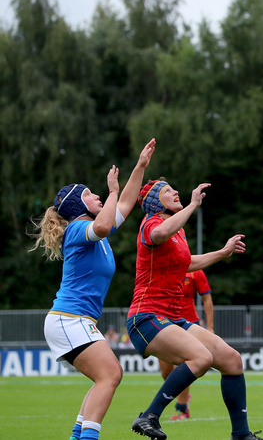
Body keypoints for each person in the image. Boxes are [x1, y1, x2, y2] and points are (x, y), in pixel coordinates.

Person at [31, 139, 154, 440]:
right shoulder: (77, 228)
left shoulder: (97, 230)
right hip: (68, 319)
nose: (97, 195)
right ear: (77, 206)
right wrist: (111, 191)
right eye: (89, 194)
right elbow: (102, 224)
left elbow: (123, 205)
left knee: (105, 377)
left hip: (76, 322)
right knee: (111, 374)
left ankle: (78, 436)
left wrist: (139, 167)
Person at [126, 179, 251, 440]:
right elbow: (159, 235)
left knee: (232, 360)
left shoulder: (178, 231)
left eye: (174, 188)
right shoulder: (151, 223)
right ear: (154, 202)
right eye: (168, 190)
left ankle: (241, 435)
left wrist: (223, 252)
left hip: (172, 318)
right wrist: (193, 204)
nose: (176, 192)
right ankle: (149, 416)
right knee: (201, 358)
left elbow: (188, 262)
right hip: (146, 317)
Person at [157, 269, 214, 421]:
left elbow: (207, 299)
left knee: (181, 366)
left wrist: (210, 327)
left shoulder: (196, 272)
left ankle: (181, 408)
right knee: (165, 371)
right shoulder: (161, 266)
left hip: (188, 324)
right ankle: (183, 392)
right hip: (164, 322)